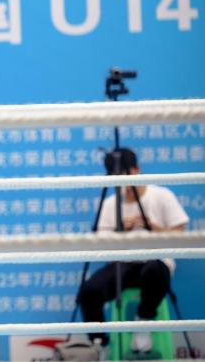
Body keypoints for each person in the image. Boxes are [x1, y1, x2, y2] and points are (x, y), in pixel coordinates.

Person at [77, 147, 189, 354]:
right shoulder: (111, 204)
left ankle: (143, 322)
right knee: (89, 290)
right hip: (122, 264)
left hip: (155, 261)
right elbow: (101, 242)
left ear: (137, 170)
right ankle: (100, 345)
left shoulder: (161, 195)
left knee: (155, 271)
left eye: (125, 175)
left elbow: (180, 233)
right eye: (116, 178)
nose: (123, 184)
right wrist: (121, 230)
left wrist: (153, 227)